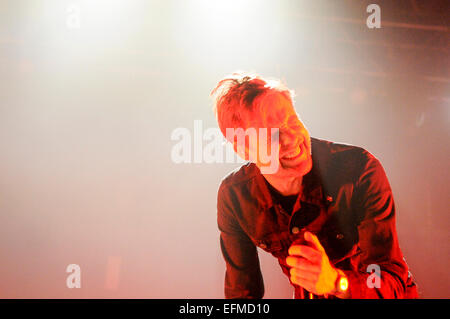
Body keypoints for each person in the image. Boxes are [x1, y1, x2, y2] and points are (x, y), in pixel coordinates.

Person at [211, 72, 418, 299]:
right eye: (272, 135)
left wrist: (336, 283)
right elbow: (242, 295)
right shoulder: (234, 196)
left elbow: (391, 279)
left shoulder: (358, 168)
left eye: (291, 120)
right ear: (242, 149)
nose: (291, 138)